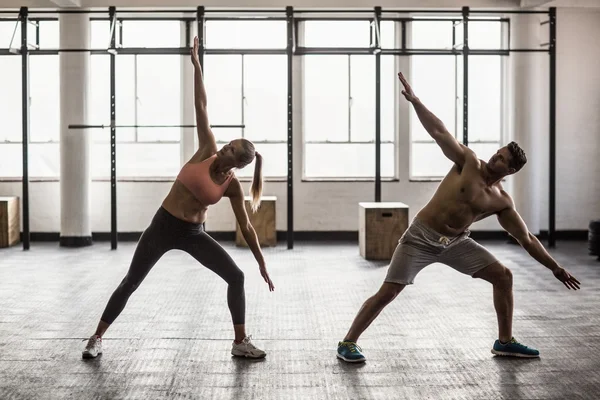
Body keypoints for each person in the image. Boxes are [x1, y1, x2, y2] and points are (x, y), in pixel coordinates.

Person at [336, 72, 581, 363]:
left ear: (511, 170)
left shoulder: (501, 201)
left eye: (502, 159)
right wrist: (416, 102)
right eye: (497, 153)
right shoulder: (468, 162)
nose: (495, 159)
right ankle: (348, 342)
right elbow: (440, 132)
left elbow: (526, 239)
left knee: (503, 276)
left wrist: (555, 268)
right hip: (420, 238)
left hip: (456, 243)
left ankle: (505, 341)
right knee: (389, 292)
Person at [82, 36, 275, 360]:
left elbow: (247, 227)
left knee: (236, 277)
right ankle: (96, 337)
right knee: (131, 281)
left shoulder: (231, 185)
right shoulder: (206, 149)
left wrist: (261, 261)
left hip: (194, 234)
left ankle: (240, 342)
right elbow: (202, 105)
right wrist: (197, 65)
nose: (224, 148)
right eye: (227, 143)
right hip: (163, 226)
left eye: (230, 150)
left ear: (239, 163)